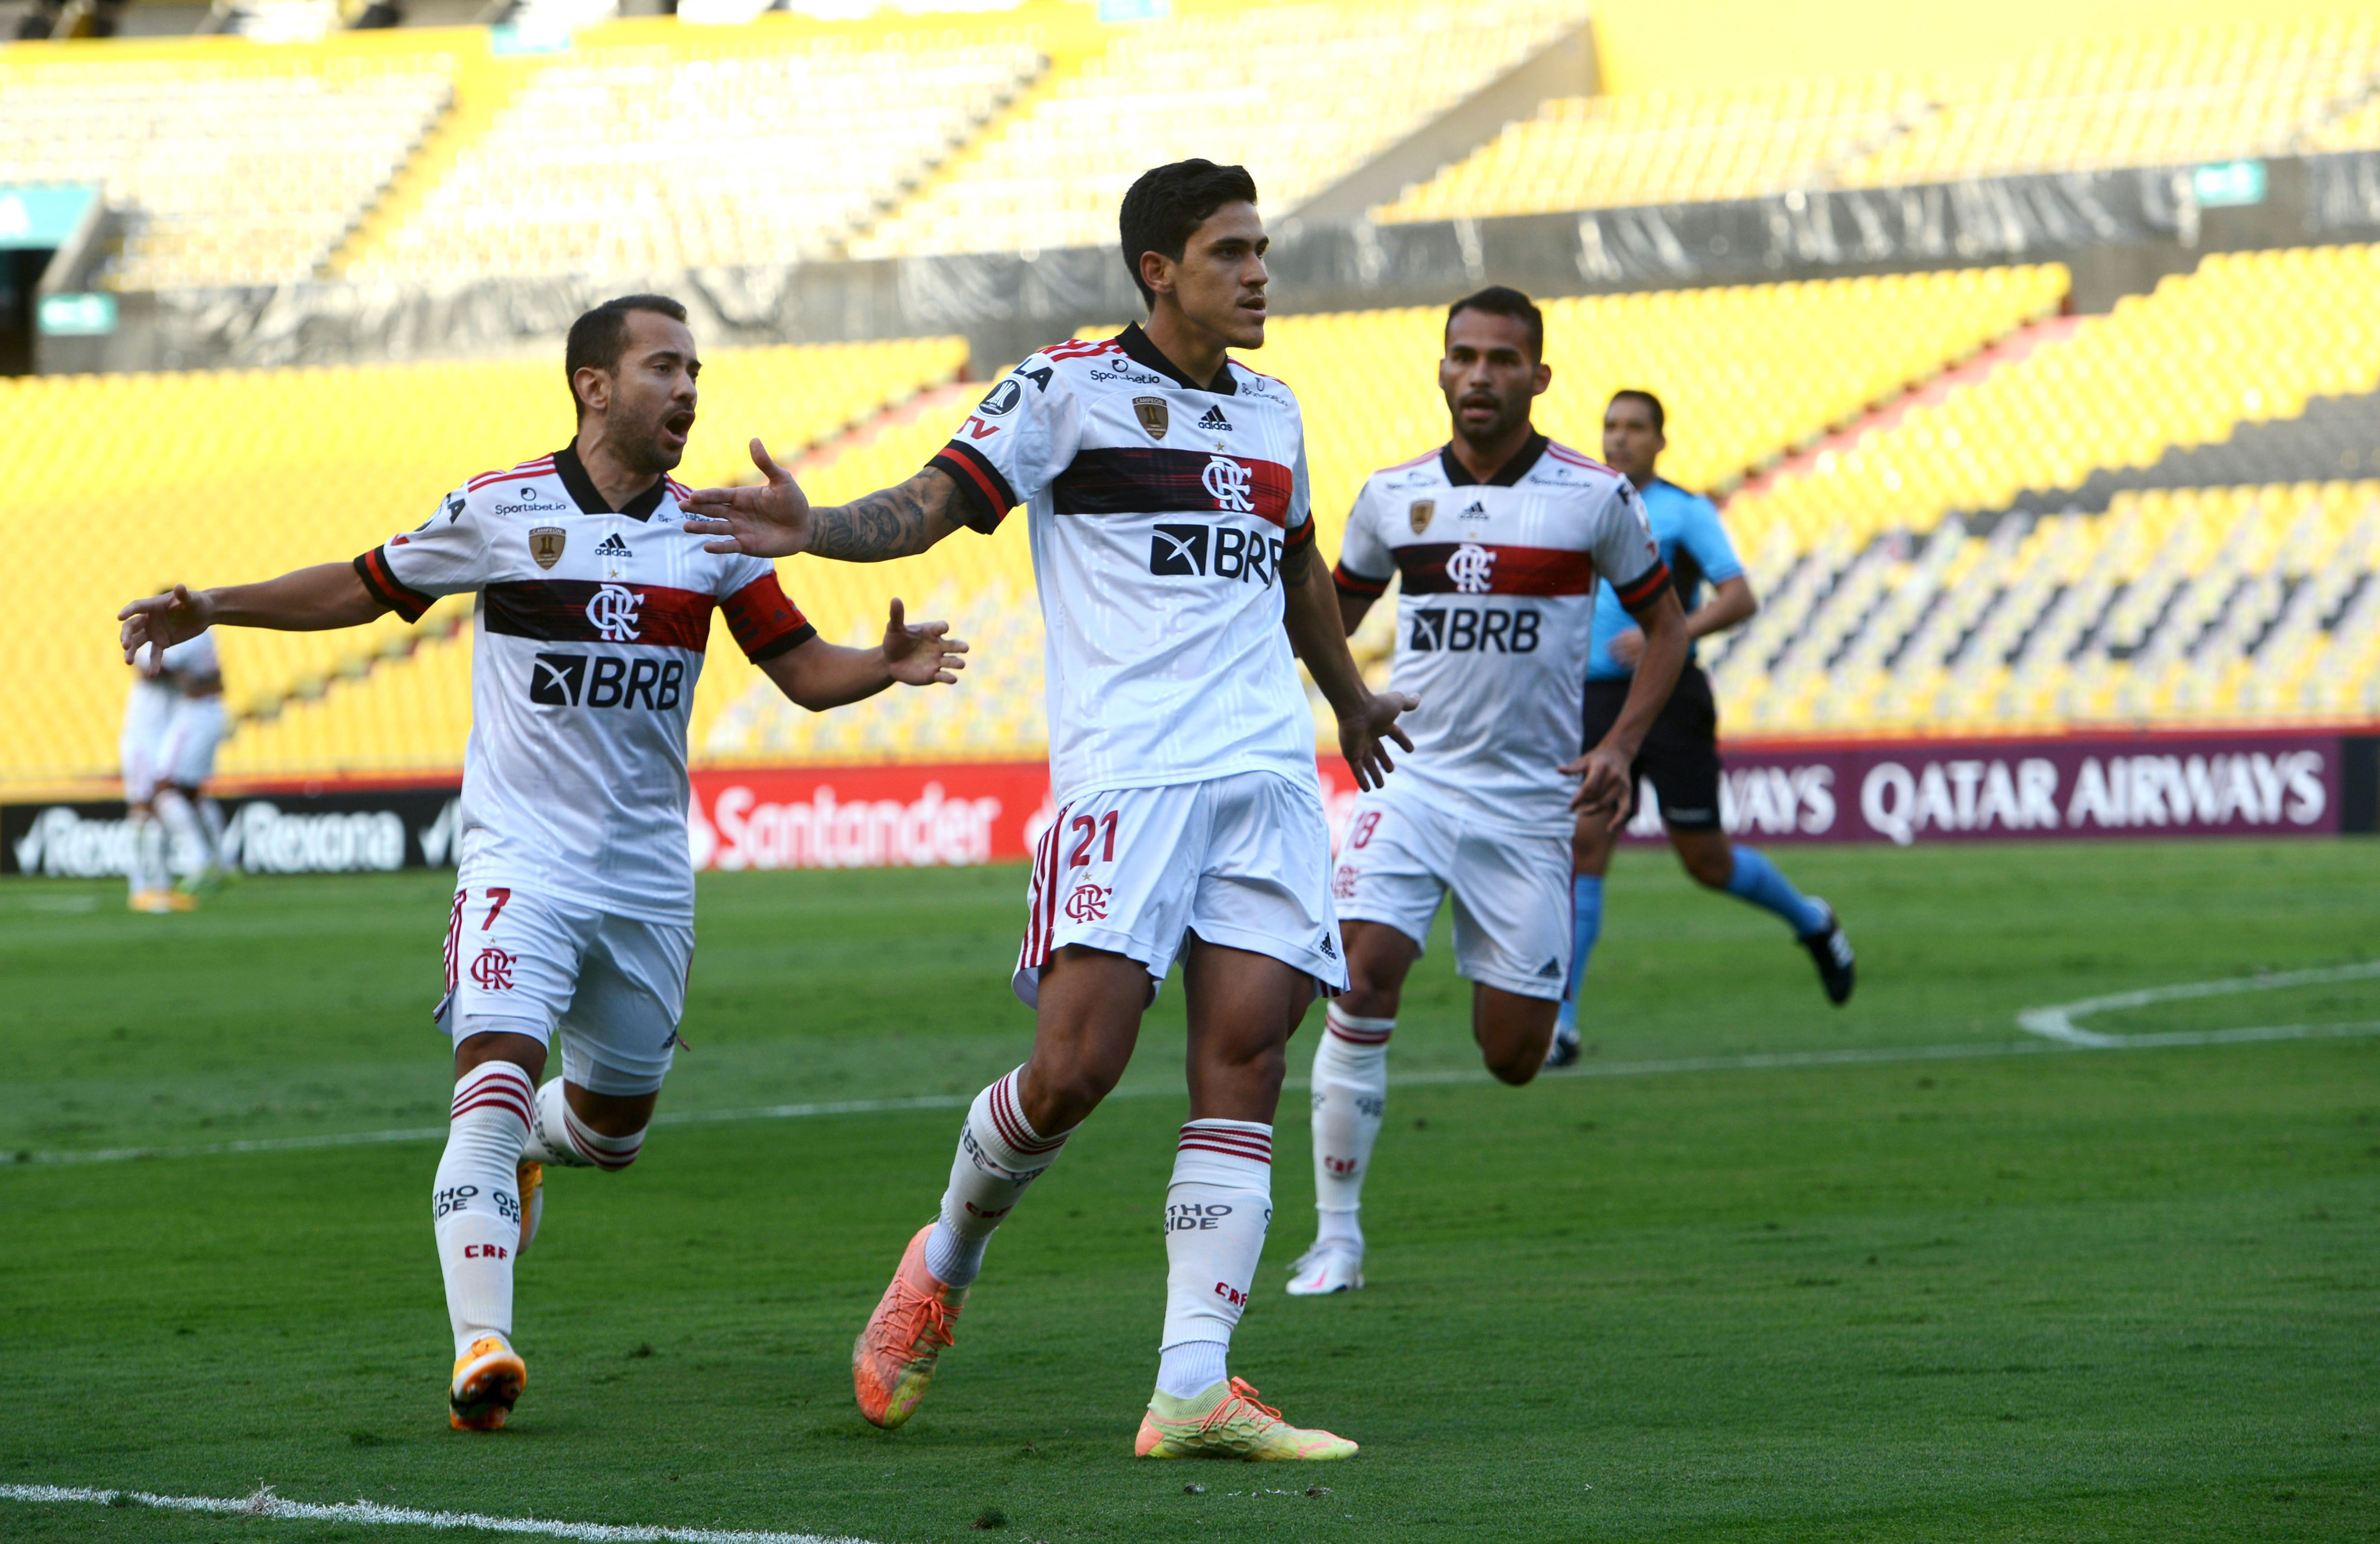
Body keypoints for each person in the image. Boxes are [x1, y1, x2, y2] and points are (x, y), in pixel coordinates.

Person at [119, 294, 967, 1433]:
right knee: (494, 1070)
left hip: (647, 881)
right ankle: (483, 1342)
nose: (689, 391)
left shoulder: (711, 533)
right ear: (594, 386)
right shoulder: (503, 509)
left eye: (696, 370)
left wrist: (885, 662)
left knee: (614, 1133)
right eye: (665, 368)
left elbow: (804, 670)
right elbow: (362, 585)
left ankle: (531, 1150)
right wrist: (213, 604)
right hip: (520, 860)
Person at [684, 160, 1413, 1461]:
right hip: (1128, 780)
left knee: (1243, 1060)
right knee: (1076, 1069)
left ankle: (1192, 1383)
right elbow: (931, 504)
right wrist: (818, 528)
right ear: (1157, 270)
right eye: (1231, 252)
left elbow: (1298, 562)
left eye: (1263, 250)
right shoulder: (1064, 386)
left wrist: (1348, 701)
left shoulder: (1273, 412)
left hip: (1262, 781)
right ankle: (943, 1259)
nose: (1259, 274)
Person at [1285, 287, 1687, 1297]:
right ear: (1441, 369)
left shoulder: (1593, 498)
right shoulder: (1391, 496)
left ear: (1538, 377)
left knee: (1513, 1052)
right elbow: (1331, 608)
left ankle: (1509, 1002)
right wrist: (1350, 701)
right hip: (1410, 780)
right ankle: (1337, 1236)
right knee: (1361, 977)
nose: (1479, 374)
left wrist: (1622, 746)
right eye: (1462, 356)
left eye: (1502, 359)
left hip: (1529, 804)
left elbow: (1669, 630)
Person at [1545, 390, 1853, 1070]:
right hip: (1593, 700)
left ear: (1661, 441)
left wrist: (1673, 631)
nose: (1619, 439)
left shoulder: (1685, 511)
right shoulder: (1581, 502)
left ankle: (1813, 921)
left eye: (1634, 429)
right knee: (1584, 847)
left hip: (1673, 697)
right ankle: (1561, 1025)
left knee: (1705, 861)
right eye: (1611, 427)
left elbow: (1740, 595)